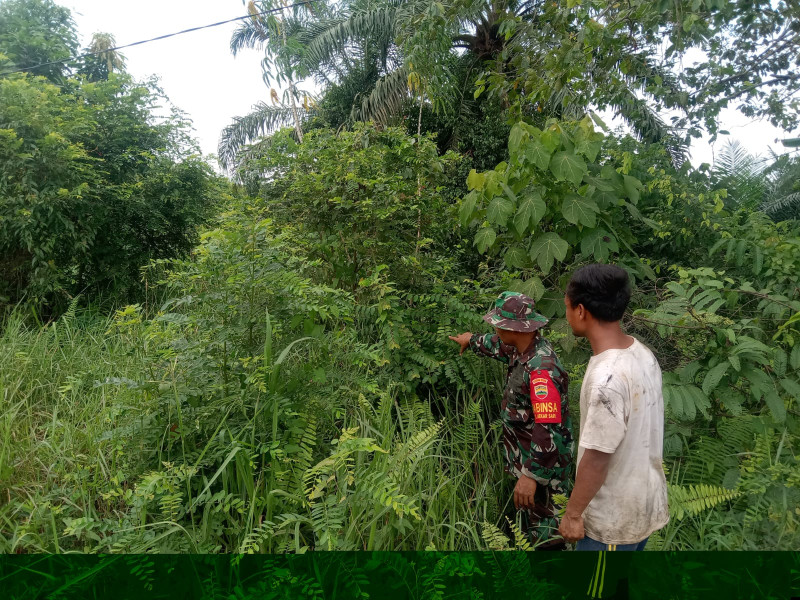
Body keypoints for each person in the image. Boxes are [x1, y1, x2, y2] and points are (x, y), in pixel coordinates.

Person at [449, 291, 574, 550]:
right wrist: (470, 340)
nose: (494, 327)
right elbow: (496, 345)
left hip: (543, 471)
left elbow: (548, 427)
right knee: (531, 528)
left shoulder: (542, 369)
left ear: (513, 328)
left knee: (547, 536)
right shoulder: (521, 349)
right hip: (528, 462)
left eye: (498, 324)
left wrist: (531, 476)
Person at [558, 264, 669, 551]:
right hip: (642, 502)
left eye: (568, 307)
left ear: (580, 310)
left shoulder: (605, 379)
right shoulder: (641, 354)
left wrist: (572, 514)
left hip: (611, 523)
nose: (567, 315)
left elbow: (597, 458)